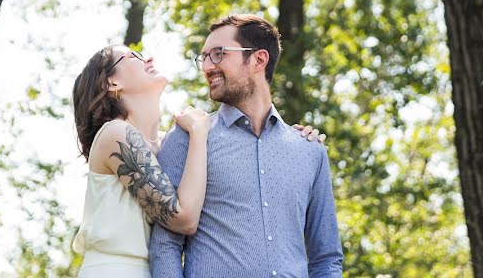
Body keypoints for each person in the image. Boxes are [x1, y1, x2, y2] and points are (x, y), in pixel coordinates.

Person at [71, 44, 325, 277]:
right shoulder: (116, 133)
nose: (147, 57)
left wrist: (293, 140)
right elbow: (184, 218)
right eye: (133, 56)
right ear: (111, 83)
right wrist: (199, 132)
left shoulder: (164, 143)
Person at [149, 14, 344, 278]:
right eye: (204, 57)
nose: (207, 67)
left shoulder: (310, 151)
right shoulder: (188, 138)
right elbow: (165, 244)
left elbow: (326, 258)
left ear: (259, 60)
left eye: (218, 54)